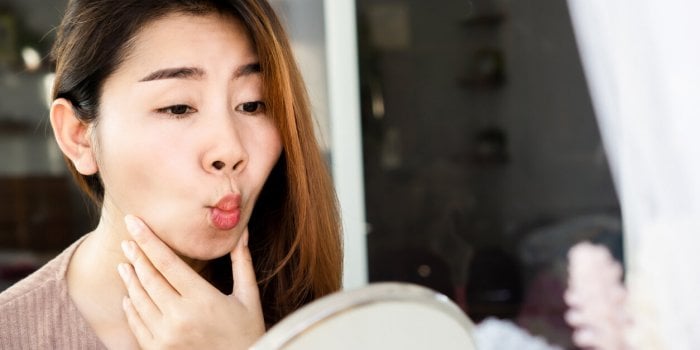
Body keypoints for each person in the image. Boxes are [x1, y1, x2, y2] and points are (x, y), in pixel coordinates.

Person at [0, 0, 342, 348]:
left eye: (252, 104)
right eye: (178, 108)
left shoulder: (332, 325)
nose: (230, 150)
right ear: (79, 136)